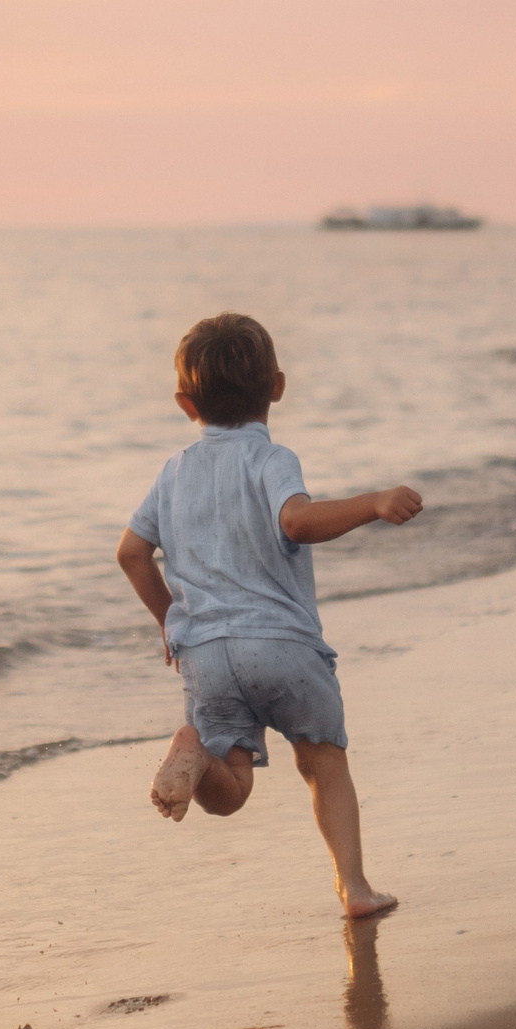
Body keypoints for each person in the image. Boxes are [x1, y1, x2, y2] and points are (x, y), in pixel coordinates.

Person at [115, 312, 419, 919]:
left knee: (230, 791)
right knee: (322, 761)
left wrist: (172, 623)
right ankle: (355, 889)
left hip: (206, 654)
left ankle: (196, 753)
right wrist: (372, 503)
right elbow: (297, 521)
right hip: (282, 646)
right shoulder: (270, 459)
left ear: (184, 403)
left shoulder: (172, 472)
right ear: (277, 386)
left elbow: (131, 554)